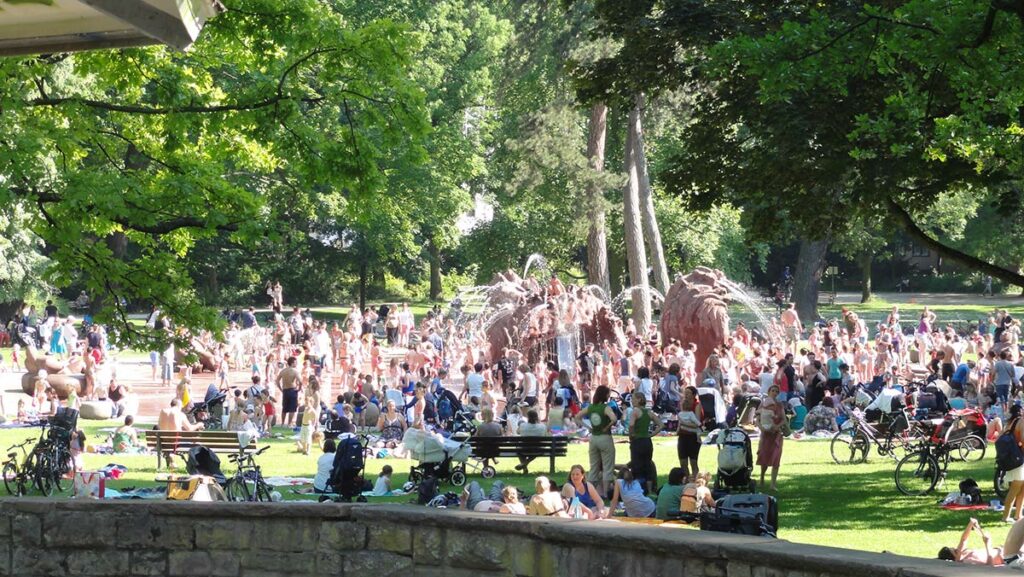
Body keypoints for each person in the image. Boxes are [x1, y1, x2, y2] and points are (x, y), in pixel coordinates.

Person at [577, 385, 617, 496]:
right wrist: (607, 426)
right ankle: (605, 493)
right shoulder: (606, 408)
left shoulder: (590, 407)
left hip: (593, 438)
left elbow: (577, 417)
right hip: (605, 437)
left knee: (594, 467)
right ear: (604, 395)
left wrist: (588, 427)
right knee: (608, 467)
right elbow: (614, 419)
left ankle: (588, 492)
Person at [628, 390, 663, 494]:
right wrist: (651, 434)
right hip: (647, 441)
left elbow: (631, 425)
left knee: (636, 465)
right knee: (647, 465)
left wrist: (631, 435)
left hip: (637, 441)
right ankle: (649, 489)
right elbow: (661, 425)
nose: (632, 401)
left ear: (639, 400)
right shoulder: (649, 412)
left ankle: (637, 489)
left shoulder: (635, 411)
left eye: (633, 399)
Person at [938, 518, 1009, 565]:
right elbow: (989, 566)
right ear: (954, 560)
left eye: (955, 549)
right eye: (956, 551)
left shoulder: (962, 554)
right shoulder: (967, 561)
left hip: (1001, 550)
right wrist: (987, 545)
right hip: (1005, 557)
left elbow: (963, 540)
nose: (958, 549)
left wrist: (970, 524)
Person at [756, 384, 785, 492]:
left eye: (777, 391)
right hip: (765, 435)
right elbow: (757, 420)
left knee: (776, 458)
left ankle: (773, 484)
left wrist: (777, 427)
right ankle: (762, 478)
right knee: (764, 457)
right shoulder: (762, 404)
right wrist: (762, 428)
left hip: (776, 435)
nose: (774, 393)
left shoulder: (779, 405)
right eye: (773, 390)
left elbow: (783, 419)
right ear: (768, 392)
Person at [1003, 405, 1024, 523]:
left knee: (1022, 489)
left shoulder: (1015, 421)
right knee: (1015, 488)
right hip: (1018, 459)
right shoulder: (1021, 422)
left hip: (1018, 458)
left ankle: (1018, 514)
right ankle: (1005, 516)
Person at [677, 386, 703, 478]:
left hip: (693, 436)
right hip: (682, 436)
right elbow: (681, 418)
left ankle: (695, 480)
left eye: (688, 393)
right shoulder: (683, 404)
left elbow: (697, 422)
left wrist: (684, 424)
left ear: (693, 395)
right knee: (683, 461)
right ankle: (687, 479)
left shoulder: (697, 405)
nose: (686, 395)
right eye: (685, 393)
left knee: (693, 461)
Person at [276, 356, 301, 427]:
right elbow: (300, 381)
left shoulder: (283, 371)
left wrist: (280, 389)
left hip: (285, 390)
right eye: (295, 362)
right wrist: (299, 388)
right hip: (292, 390)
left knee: (284, 408)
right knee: (292, 409)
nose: (296, 363)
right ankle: (289, 423)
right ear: (292, 363)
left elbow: (277, 381)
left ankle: (282, 423)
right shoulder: (295, 371)